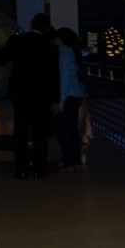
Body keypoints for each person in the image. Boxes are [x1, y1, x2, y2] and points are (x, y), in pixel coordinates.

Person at [0, 13, 59, 179]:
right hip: (42, 95)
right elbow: (53, 75)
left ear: (32, 25)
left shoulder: (17, 41)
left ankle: (21, 168)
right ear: (46, 28)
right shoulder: (50, 46)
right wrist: (55, 99)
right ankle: (39, 168)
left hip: (21, 92)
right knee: (40, 132)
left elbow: (0, 58)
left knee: (21, 131)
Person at [53, 27, 86, 171]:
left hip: (68, 97)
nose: (54, 40)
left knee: (62, 131)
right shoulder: (72, 53)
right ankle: (75, 162)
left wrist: (60, 102)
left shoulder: (64, 54)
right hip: (75, 95)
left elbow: (64, 80)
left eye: (56, 38)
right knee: (72, 130)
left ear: (60, 39)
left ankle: (69, 162)